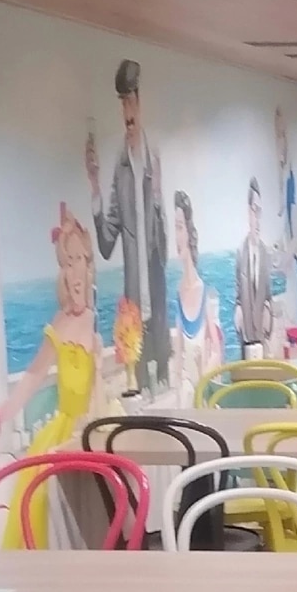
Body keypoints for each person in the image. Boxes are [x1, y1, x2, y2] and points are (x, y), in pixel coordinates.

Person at [0, 206, 102, 544]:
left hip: (95, 422)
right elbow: (34, 376)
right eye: (67, 262)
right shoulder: (60, 325)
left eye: (79, 260)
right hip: (65, 429)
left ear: (89, 265)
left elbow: (97, 386)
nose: (74, 271)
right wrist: (3, 414)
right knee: (47, 500)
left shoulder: (94, 321)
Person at [86, 58, 168, 392]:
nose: (127, 112)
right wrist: (94, 185)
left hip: (158, 311)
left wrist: (158, 198)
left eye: (131, 101)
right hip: (134, 315)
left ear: (140, 102)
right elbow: (107, 244)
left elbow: (163, 250)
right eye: (122, 104)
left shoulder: (154, 159)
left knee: (166, 389)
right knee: (140, 395)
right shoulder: (119, 173)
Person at [170, 189, 224, 401]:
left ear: (189, 232)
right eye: (175, 228)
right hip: (186, 393)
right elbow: (178, 354)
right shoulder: (179, 292)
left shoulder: (203, 293)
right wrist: (178, 388)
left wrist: (203, 378)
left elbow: (216, 350)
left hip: (202, 391)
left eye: (179, 227)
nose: (177, 237)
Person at [274, 104, 297, 335]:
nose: (279, 143)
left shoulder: (289, 181)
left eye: (281, 136)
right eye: (276, 136)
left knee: (295, 320)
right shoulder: (279, 178)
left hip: (291, 269)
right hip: (285, 266)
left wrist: (284, 261)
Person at [234, 175, 273, 355]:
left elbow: (268, 293)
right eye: (254, 210)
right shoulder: (240, 253)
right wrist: (238, 310)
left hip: (262, 336)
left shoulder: (265, 253)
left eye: (260, 212)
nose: (258, 218)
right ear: (249, 212)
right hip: (246, 336)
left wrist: (268, 309)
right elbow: (237, 294)